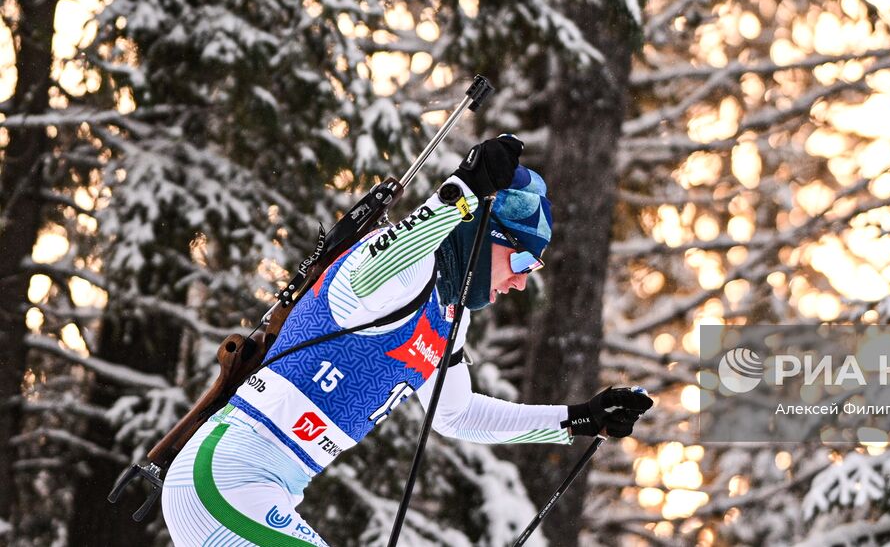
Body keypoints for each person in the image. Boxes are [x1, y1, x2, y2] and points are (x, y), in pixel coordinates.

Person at [160, 135, 653, 546]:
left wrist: (575, 420)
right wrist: (464, 190)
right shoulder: (404, 271)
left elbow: (458, 415)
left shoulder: (446, 318)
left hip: (267, 488)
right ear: (486, 236)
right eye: (522, 261)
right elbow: (388, 256)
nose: (521, 281)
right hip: (223, 479)